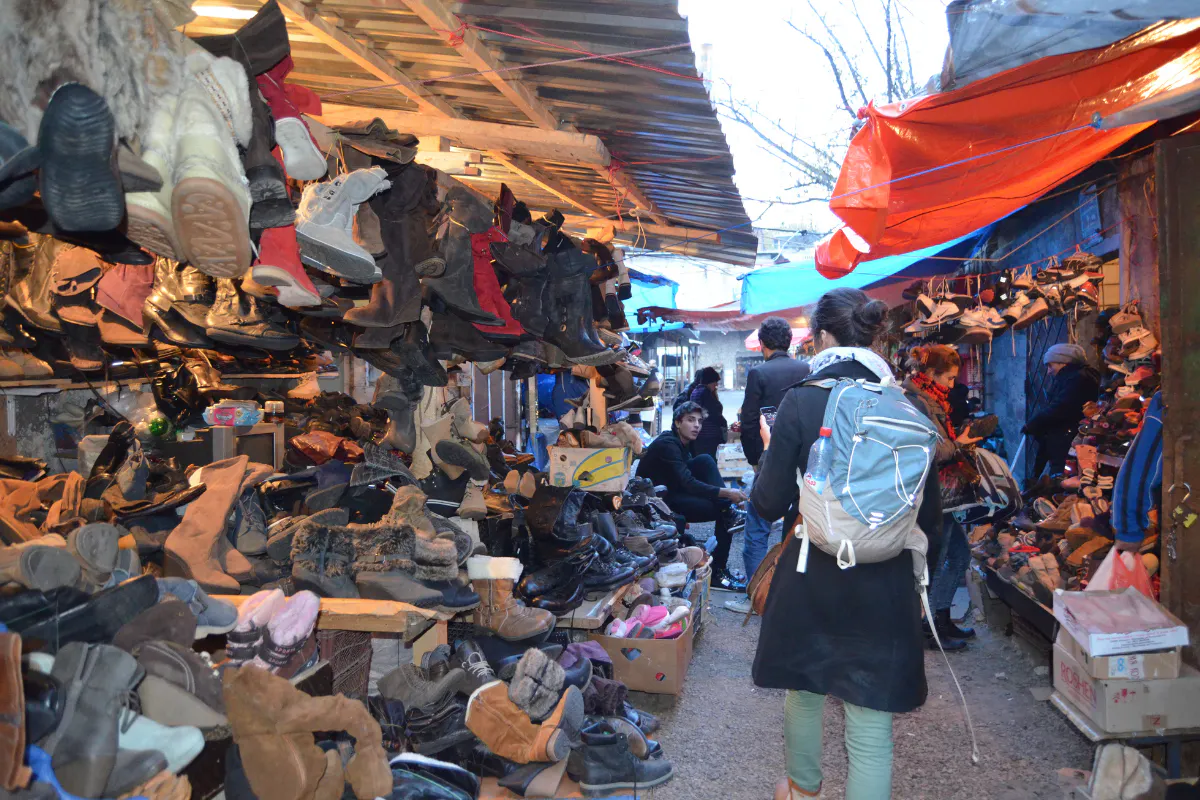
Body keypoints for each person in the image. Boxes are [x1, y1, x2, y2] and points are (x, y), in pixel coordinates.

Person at [751, 287, 943, 800]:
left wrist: (780, 460)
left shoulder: (802, 399)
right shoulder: (907, 404)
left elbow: (766, 503)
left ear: (819, 336)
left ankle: (802, 791)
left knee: (806, 690)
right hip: (886, 577)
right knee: (870, 716)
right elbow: (932, 517)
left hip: (811, 567)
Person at [725, 317, 810, 614]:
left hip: (771, 459)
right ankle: (791, 595)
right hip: (804, 461)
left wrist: (754, 458)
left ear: (762, 344)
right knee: (797, 527)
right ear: (790, 342)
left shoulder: (758, 372)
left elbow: (750, 420)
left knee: (758, 526)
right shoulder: (807, 369)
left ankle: (756, 595)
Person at [903, 344, 981, 649]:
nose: (952, 385)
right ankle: (931, 625)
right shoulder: (918, 403)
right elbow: (931, 450)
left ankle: (941, 619)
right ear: (931, 373)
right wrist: (959, 442)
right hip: (933, 492)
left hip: (944, 491)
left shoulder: (930, 399)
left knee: (958, 554)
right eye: (949, 378)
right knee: (941, 556)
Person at [636, 400, 748, 591]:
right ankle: (718, 570)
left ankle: (728, 512)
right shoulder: (668, 444)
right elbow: (687, 482)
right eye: (690, 420)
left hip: (673, 494)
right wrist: (727, 493)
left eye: (699, 421)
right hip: (656, 505)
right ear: (678, 422)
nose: (696, 425)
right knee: (723, 510)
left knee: (704, 461)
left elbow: (689, 480)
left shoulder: (684, 444)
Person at [1025, 343, 1100, 479]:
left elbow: (1062, 406)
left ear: (1063, 362)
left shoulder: (1078, 379)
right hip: (1062, 436)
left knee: (1061, 476)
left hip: (1068, 439)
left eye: (1050, 365)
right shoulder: (1070, 378)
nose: (1048, 371)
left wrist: (1035, 422)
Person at [687, 366, 727, 460]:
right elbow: (713, 413)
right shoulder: (705, 393)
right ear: (709, 381)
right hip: (708, 436)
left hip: (700, 435)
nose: (716, 385)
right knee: (709, 461)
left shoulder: (696, 391)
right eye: (715, 382)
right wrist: (722, 423)